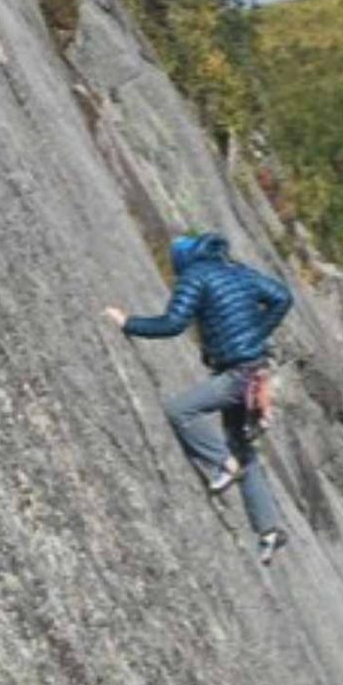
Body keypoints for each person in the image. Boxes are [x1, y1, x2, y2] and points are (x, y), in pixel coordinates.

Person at [105, 231, 294, 565]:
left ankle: (222, 463)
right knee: (240, 443)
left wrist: (128, 323)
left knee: (179, 411)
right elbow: (283, 297)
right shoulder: (235, 269)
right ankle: (269, 529)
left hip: (238, 375)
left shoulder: (194, 276)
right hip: (256, 368)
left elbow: (173, 323)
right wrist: (255, 334)